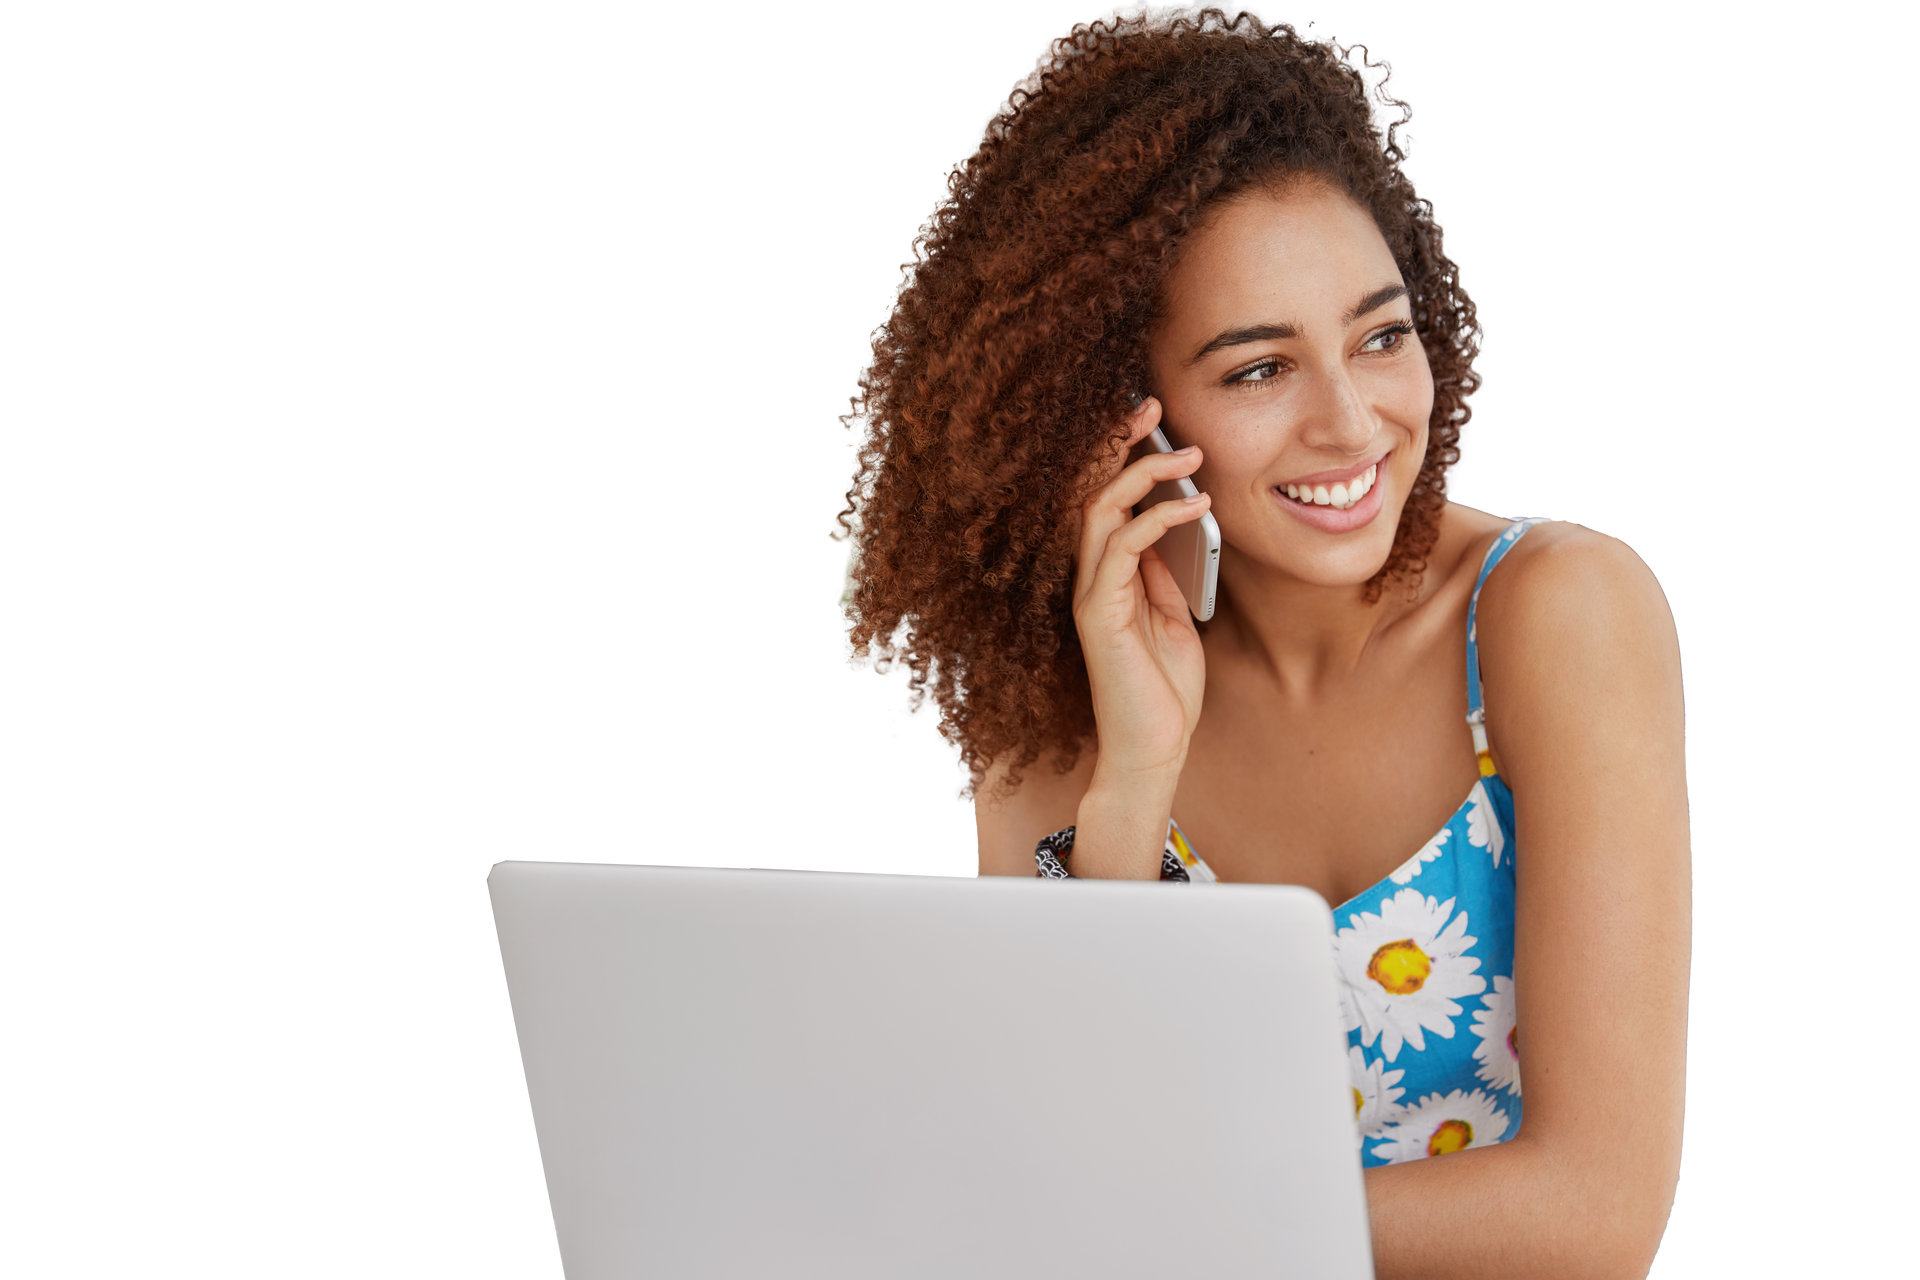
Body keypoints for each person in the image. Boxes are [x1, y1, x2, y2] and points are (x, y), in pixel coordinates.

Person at [828, 6, 1691, 1276]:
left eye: (1381, 335)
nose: (1353, 426)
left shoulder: (1550, 609)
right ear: (1114, 409)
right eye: (1256, 370)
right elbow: (1057, 1151)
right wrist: (1132, 778)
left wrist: (1181, 1223)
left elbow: (1598, 1214)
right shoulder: (1057, 700)